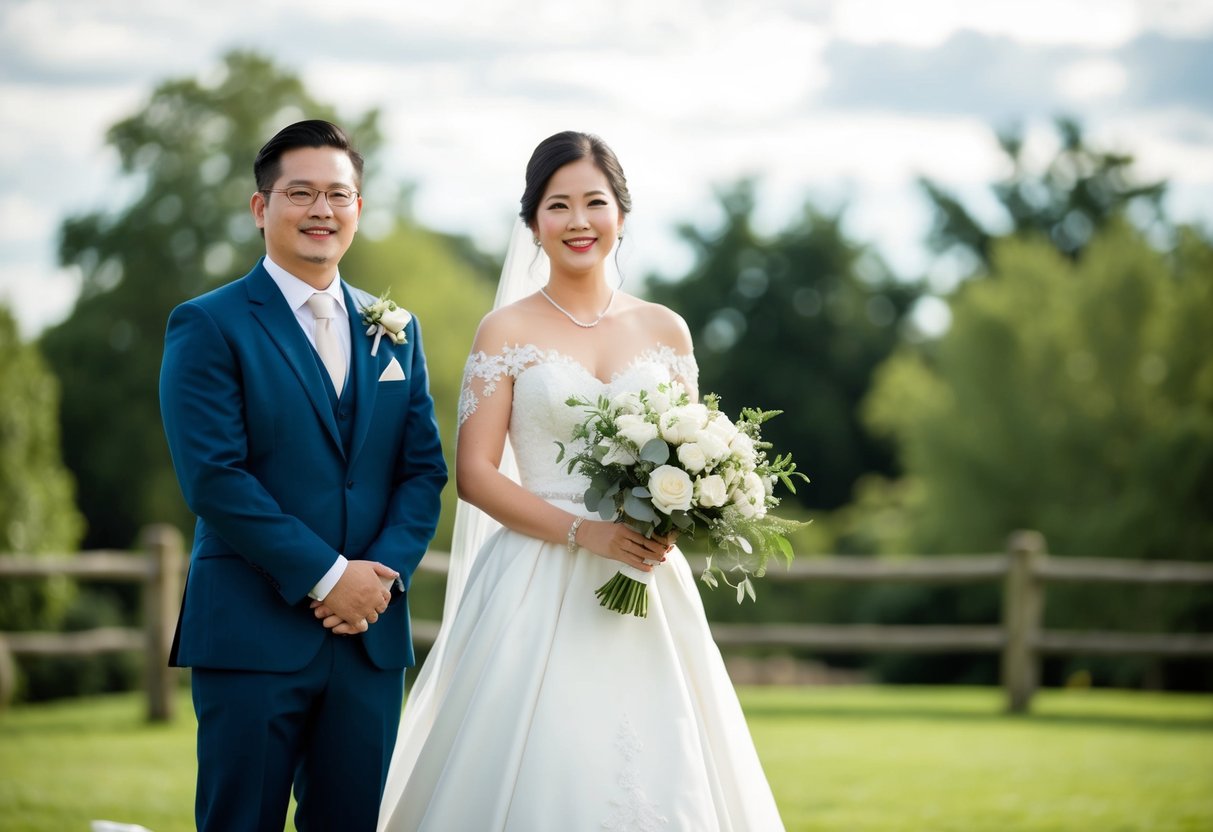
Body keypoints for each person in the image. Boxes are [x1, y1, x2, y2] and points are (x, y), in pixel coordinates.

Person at [377, 131, 784, 830]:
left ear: (621, 214)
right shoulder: (503, 331)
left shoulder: (667, 330)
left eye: (593, 202)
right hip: (535, 576)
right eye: (556, 205)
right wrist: (582, 531)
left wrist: (684, 508)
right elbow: (474, 475)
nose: (577, 222)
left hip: (645, 573)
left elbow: (692, 451)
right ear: (533, 223)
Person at [159, 119, 447, 832]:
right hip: (252, 634)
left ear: (357, 209)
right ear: (262, 207)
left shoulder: (396, 331)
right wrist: (327, 576)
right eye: (302, 193)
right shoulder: (208, 324)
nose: (323, 210)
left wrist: (377, 576)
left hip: (369, 640)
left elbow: (422, 470)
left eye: (339, 195)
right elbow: (215, 479)